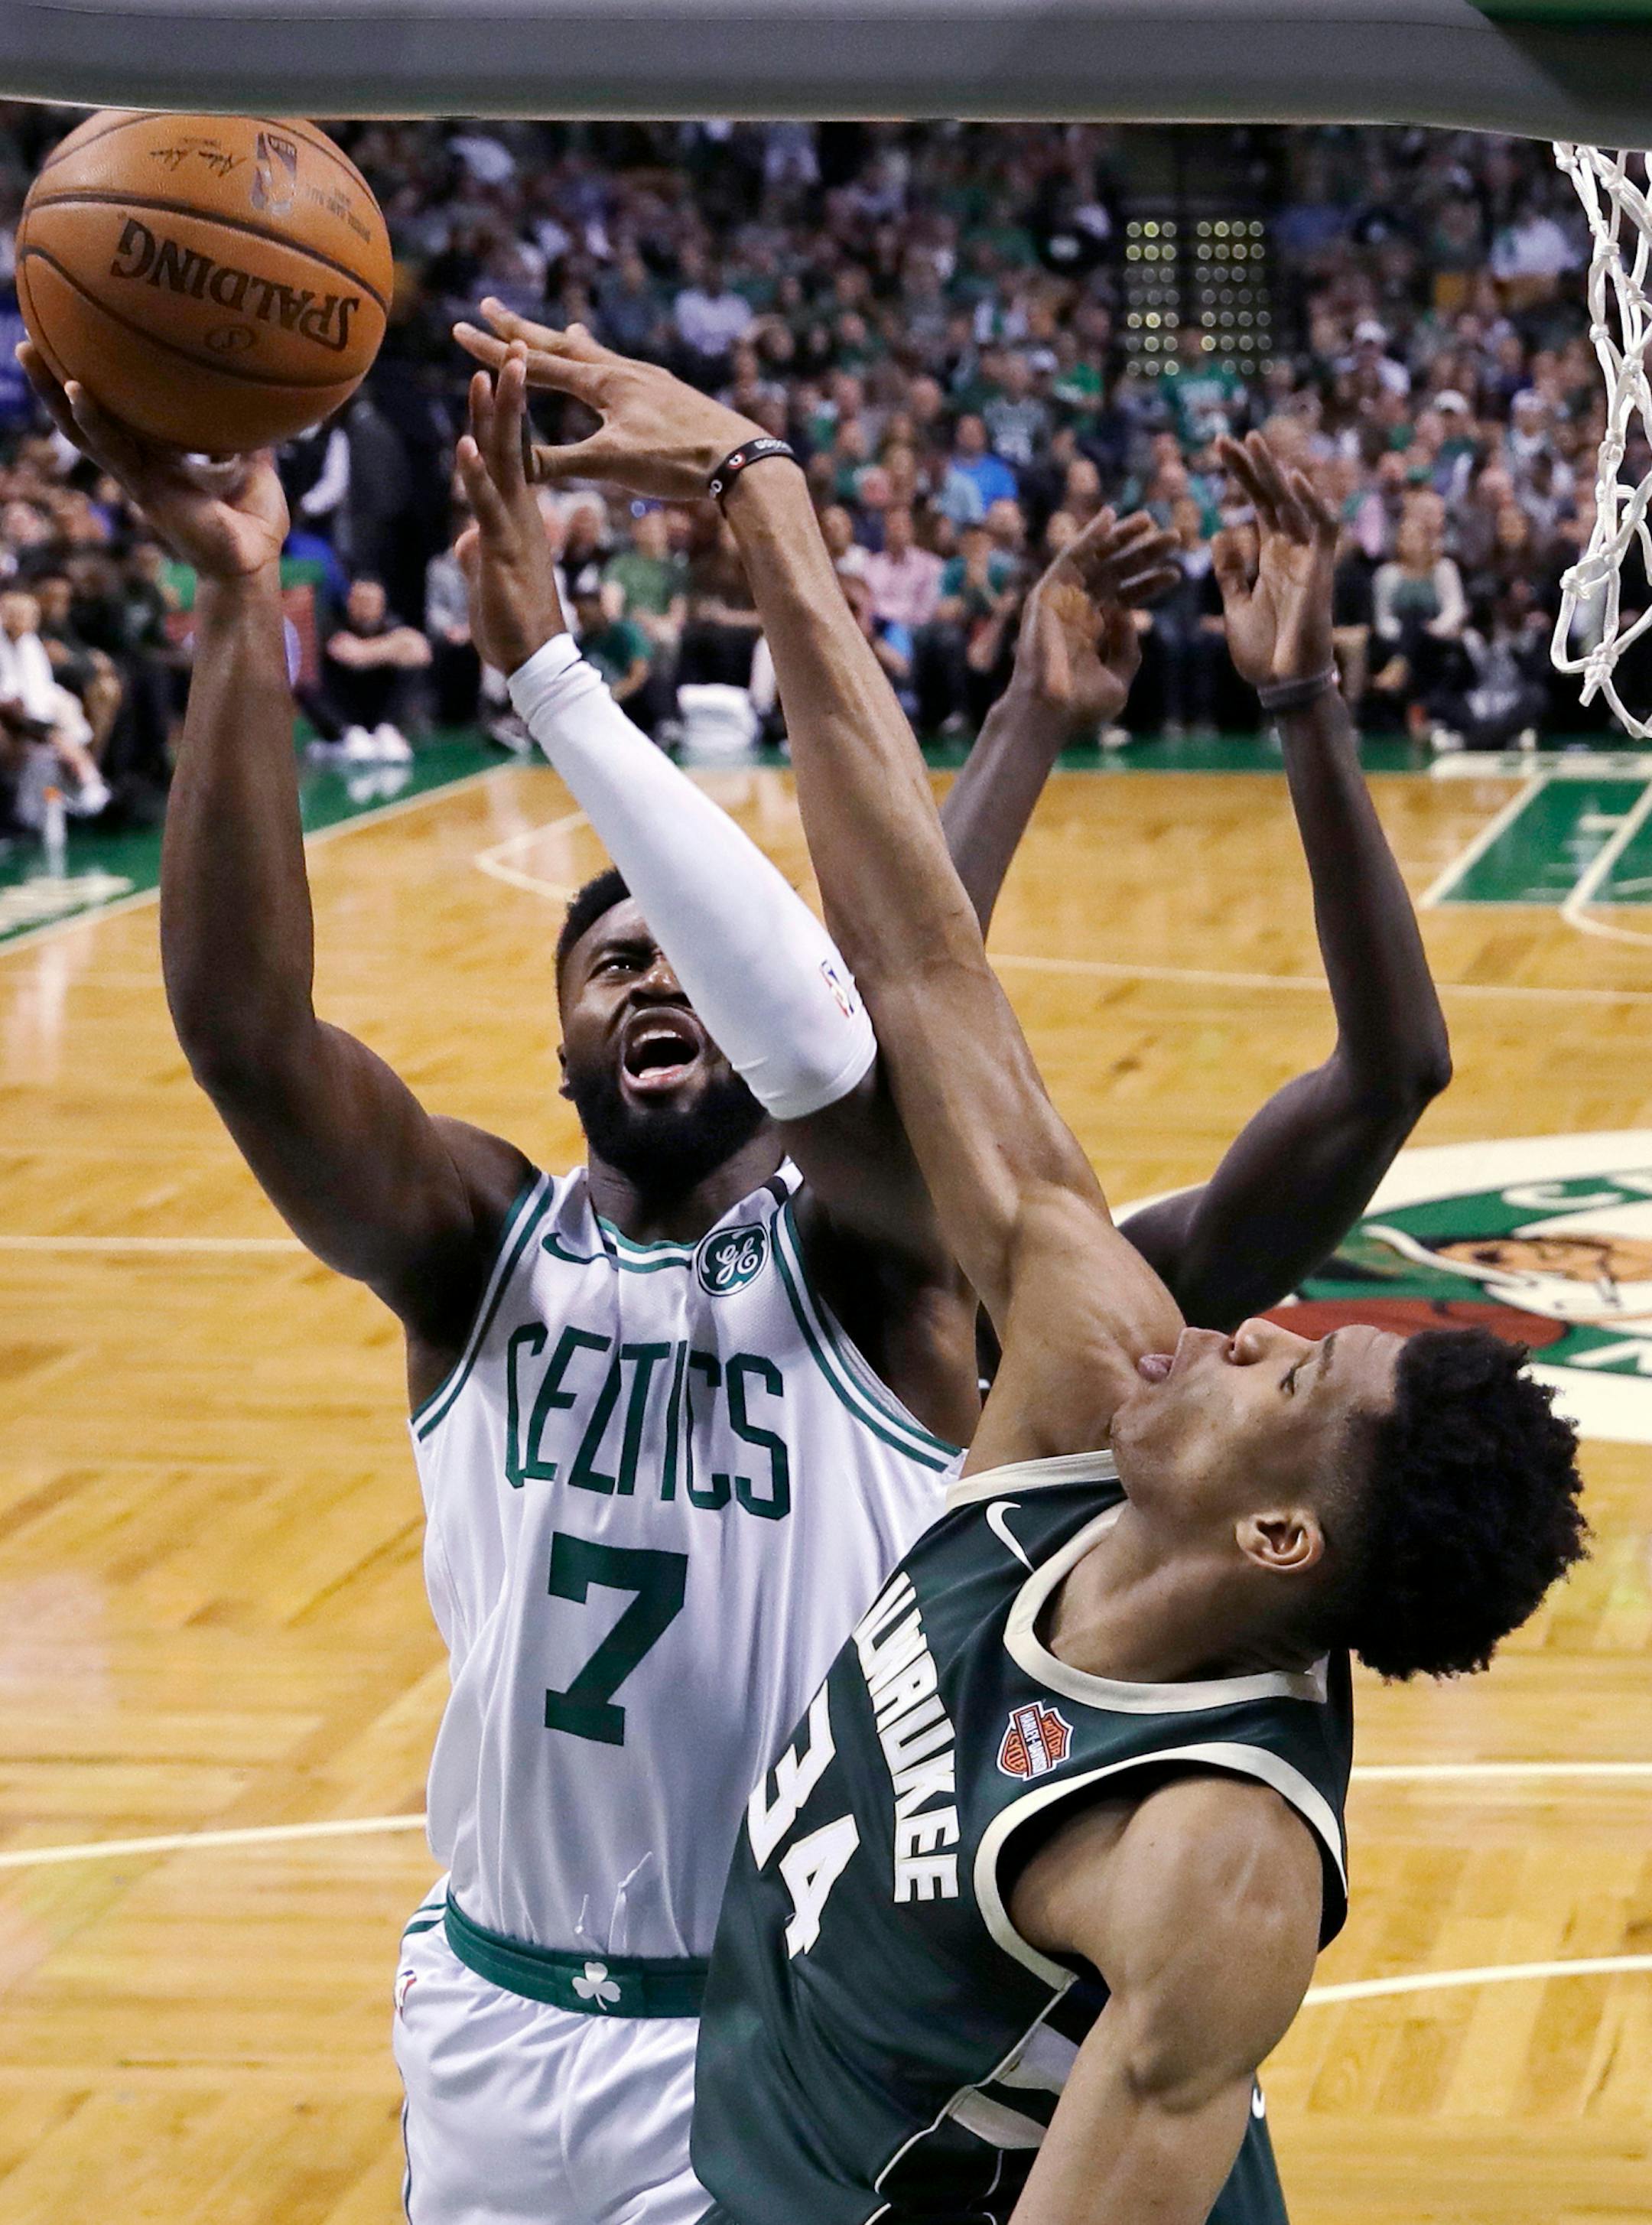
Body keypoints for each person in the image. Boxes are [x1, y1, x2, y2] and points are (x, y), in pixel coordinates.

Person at [476, 330, 1587, 2225]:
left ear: (1276, 1545)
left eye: (1287, 1384)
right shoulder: (1090, 1368)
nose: (1243, 1334)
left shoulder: (1209, 1868)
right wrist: (767, 498)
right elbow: (911, 973)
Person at [311, 575, 430, 763]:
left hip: (377, 706)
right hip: (345, 706)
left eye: (371, 601)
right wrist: (392, 649)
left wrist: (367, 651)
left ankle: (386, 729)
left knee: (408, 668)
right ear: (350, 601)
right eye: (361, 600)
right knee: (309, 683)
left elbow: (420, 650)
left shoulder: (391, 623)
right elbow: (348, 653)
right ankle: (346, 735)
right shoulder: (332, 622)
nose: (366, 607)